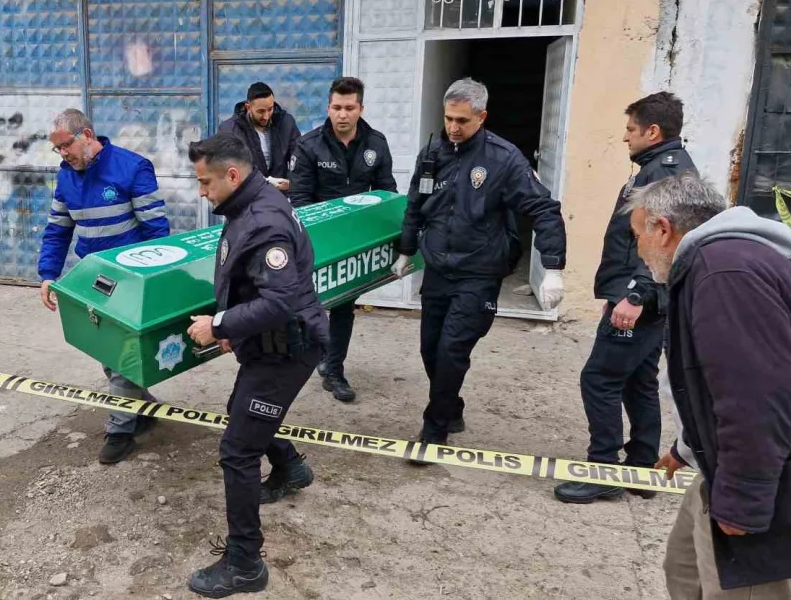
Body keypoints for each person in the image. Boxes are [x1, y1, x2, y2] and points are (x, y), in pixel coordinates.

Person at [624, 174, 791, 598]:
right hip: (723, 466)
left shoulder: (724, 273)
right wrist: (685, 449)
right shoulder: (714, 264)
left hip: (767, 483)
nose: (637, 252)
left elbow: (755, 398)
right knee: (684, 571)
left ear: (662, 229)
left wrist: (745, 503)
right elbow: (712, 381)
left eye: (636, 237)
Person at [185, 133, 328, 598]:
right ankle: (290, 468)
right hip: (270, 343)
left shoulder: (264, 220)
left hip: (287, 348)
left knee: (238, 450)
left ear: (233, 174)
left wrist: (221, 325)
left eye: (206, 182)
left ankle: (245, 564)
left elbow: (280, 302)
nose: (202, 192)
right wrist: (238, 329)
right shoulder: (249, 203)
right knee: (243, 413)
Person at [391, 77, 566, 448]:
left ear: (482, 117)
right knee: (430, 349)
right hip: (439, 267)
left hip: (479, 271)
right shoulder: (432, 152)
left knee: (453, 349)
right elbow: (415, 205)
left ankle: (434, 431)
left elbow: (544, 209)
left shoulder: (503, 159)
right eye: (449, 118)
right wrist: (407, 249)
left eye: (462, 121)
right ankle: (451, 408)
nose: (453, 128)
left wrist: (552, 267)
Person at [555, 92, 697, 504]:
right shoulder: (661, 167)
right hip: (647, 295)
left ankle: (603, 470)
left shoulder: (664, 174)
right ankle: (640, 470)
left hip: (643, 295)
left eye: (631, 130)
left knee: (598, 379)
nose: (625, 138)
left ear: (653, 131)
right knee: (639, 379)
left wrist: (633, 296)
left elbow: (659, 241)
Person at [37, 108, 170, 464]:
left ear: (88, 135)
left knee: (122, 350)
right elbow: (58, 230)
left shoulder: (132, 167)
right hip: (92, 276)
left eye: (66, 145)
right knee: (106, 351)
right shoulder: (65, 179)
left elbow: (156, 231)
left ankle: (120, 429)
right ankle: (143, 407)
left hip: (131, 278)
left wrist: (152, 281)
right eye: (58, 149)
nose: (63, 154)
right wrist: (48, 275)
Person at [288, 77, 396, 403]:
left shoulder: (376, 144)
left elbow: (386, 193)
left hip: (353, 242)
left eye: (350, 108)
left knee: (345, 305)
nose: (343, 114)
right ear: (328, 107)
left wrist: (385, 240)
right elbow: (300, 200)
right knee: (306, 306)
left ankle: (333, 370)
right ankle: (302, 362)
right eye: (337, 107)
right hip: (314, 240)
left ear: (361, 108)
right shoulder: (309, 146)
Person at [217, 81, 300, 194]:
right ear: (248, 107)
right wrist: (264, 182)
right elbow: (227, 169)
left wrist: (291, 183)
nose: (266, 116)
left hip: (280, 198)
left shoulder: (286, 123)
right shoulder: (229, 130)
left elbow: (300, 158)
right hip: (245, 199)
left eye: (270, 109)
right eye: (260, 111)